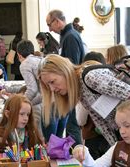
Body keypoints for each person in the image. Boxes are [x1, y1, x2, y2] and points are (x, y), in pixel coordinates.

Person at [38, 54, 130, 149]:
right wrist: (117, 151)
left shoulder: (90, 78)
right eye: (48, 85)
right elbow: (103, 125)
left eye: (52, 82)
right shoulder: (81, 91)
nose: (52, 89)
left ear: (63, 71)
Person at [46, 9, 85, 145]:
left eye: (49, 25)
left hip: (73, 89)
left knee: (72, 127)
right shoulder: (66, 36)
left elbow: (70, 67)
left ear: (57, 21)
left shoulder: (70, 37)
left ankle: (76, 160)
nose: (49, 30)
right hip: (70, 89)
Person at [16, 40, 44, 136]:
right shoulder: (38, 59)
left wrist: (21, 103)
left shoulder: (25, 64)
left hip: (45, 102)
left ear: (19, 55)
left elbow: (32, 89)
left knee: (39, 136)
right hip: (53, 101)